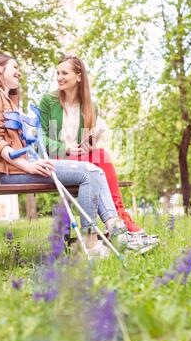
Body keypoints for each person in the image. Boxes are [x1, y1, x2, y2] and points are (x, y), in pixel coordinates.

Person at [0, 53, 147, 259]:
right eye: (14, 67)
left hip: (24, 166)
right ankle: (92, 243)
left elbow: (23, 139)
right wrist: (28, 165)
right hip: (12, 171)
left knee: (96, 167)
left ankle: (117, 230)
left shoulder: (8, 100)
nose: (19, 72)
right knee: (90, 172)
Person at [39, 54, 159, 247]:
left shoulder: (90, 106)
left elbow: (84, 143)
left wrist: (90, 142)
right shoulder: (49, 101)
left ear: (79, 76)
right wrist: (65, 148)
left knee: (100, 155)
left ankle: (118, 220)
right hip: (56, 158)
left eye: (64, 73)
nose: (59, 77)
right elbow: (41, 138)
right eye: (58, 73)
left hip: (80, 158)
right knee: (99, 160)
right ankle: (118, 222)